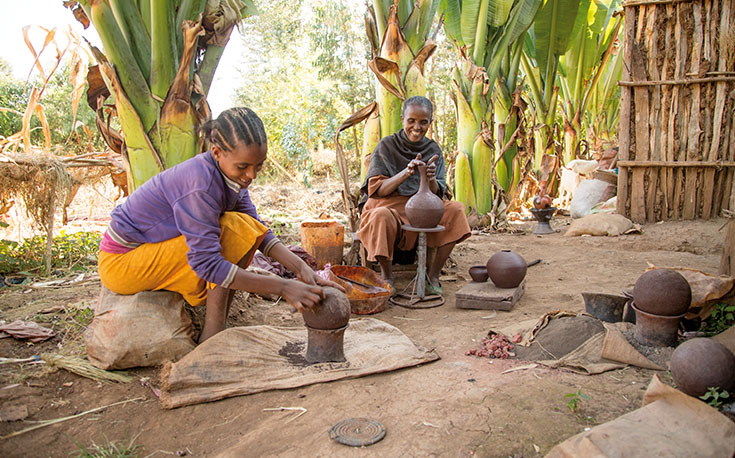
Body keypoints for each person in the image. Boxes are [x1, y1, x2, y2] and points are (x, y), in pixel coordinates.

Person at [97, 107, 341, 342]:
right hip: (122, 263)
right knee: (230, 230)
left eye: (259, 165)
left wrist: (301, 269)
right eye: (243, 166)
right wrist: (284, 288)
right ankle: (213, 333)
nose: (252, 175)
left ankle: (216, 328)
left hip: (149, 251)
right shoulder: (200, 184)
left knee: (239, 227)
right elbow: (207, 265)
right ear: (216, 152)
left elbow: (256, 229)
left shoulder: (232, 179)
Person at [356, 96, 471, 294]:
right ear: (403, 119)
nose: (417, 127)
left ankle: (431, 275)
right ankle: (387, 275)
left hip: (421, 208)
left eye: (423, 122)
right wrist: (406, 173)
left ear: (430, 123)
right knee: (380, 216)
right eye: (411, 121)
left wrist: (430, 178)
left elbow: (436, 193)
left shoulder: (432, 149)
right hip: (389, 206)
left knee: (456, 210)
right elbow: (378, 190)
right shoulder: (387, 146)